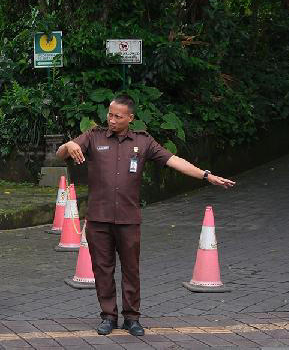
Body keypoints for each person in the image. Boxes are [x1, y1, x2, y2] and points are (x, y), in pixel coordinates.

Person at [56, 95, 236, 336]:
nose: (111, 120)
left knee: (131, 269)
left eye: (118, 116)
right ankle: (108, 316)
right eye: (110, 114)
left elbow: (174, 161)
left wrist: (206, 175)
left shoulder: (143, 141)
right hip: (98, 218)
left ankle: (132, 318)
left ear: (130, 118)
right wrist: (69, 145)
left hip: (129, 218)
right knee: (102, 269)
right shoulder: (93, 136)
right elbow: (60, 154)